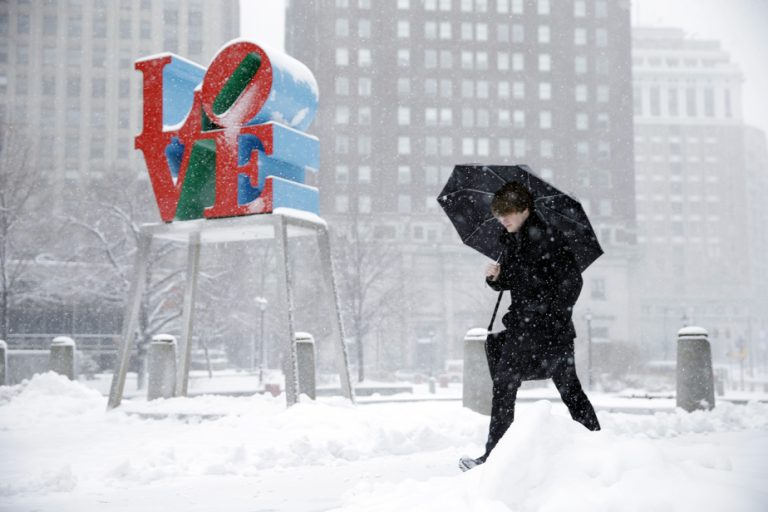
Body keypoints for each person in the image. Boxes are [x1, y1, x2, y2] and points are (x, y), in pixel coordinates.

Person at [459, 181, 600, 472]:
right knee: (505, 385)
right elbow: (515, 281)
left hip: (550, 329)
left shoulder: (549, 238)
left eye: (508, 212)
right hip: (523, 327)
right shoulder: (512, 241)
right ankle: (495, 456)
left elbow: (573, 282)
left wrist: (548, 311)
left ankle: (598, 445)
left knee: (568, 389)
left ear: (525, 209)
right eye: (499, 214)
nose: (503, 219)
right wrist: (496, 279)